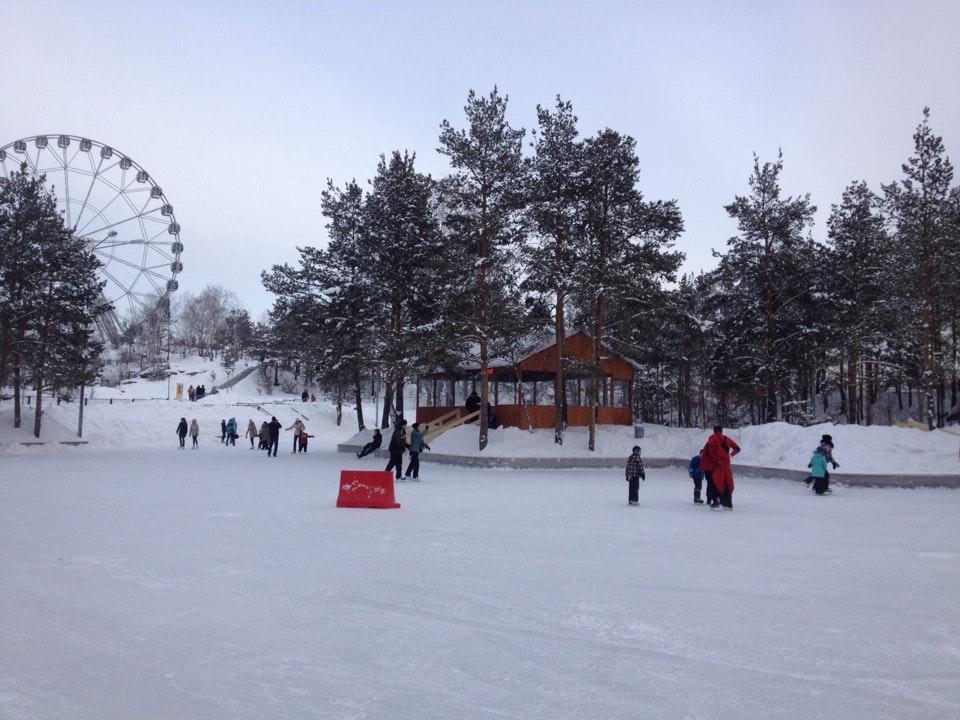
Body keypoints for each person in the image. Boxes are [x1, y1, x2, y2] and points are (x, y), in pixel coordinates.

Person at [700, 425, 741, 509]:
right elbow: (737, 448)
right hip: (726, 464)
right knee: (727, 482)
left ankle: (716, 502)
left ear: (714, 431)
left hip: (718, 465)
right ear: (721, 431)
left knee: (716, 482)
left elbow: (711, 452)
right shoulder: (727, 439)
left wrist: (717, 460)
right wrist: (731, 455)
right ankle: (728, 504)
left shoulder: (712, 438)